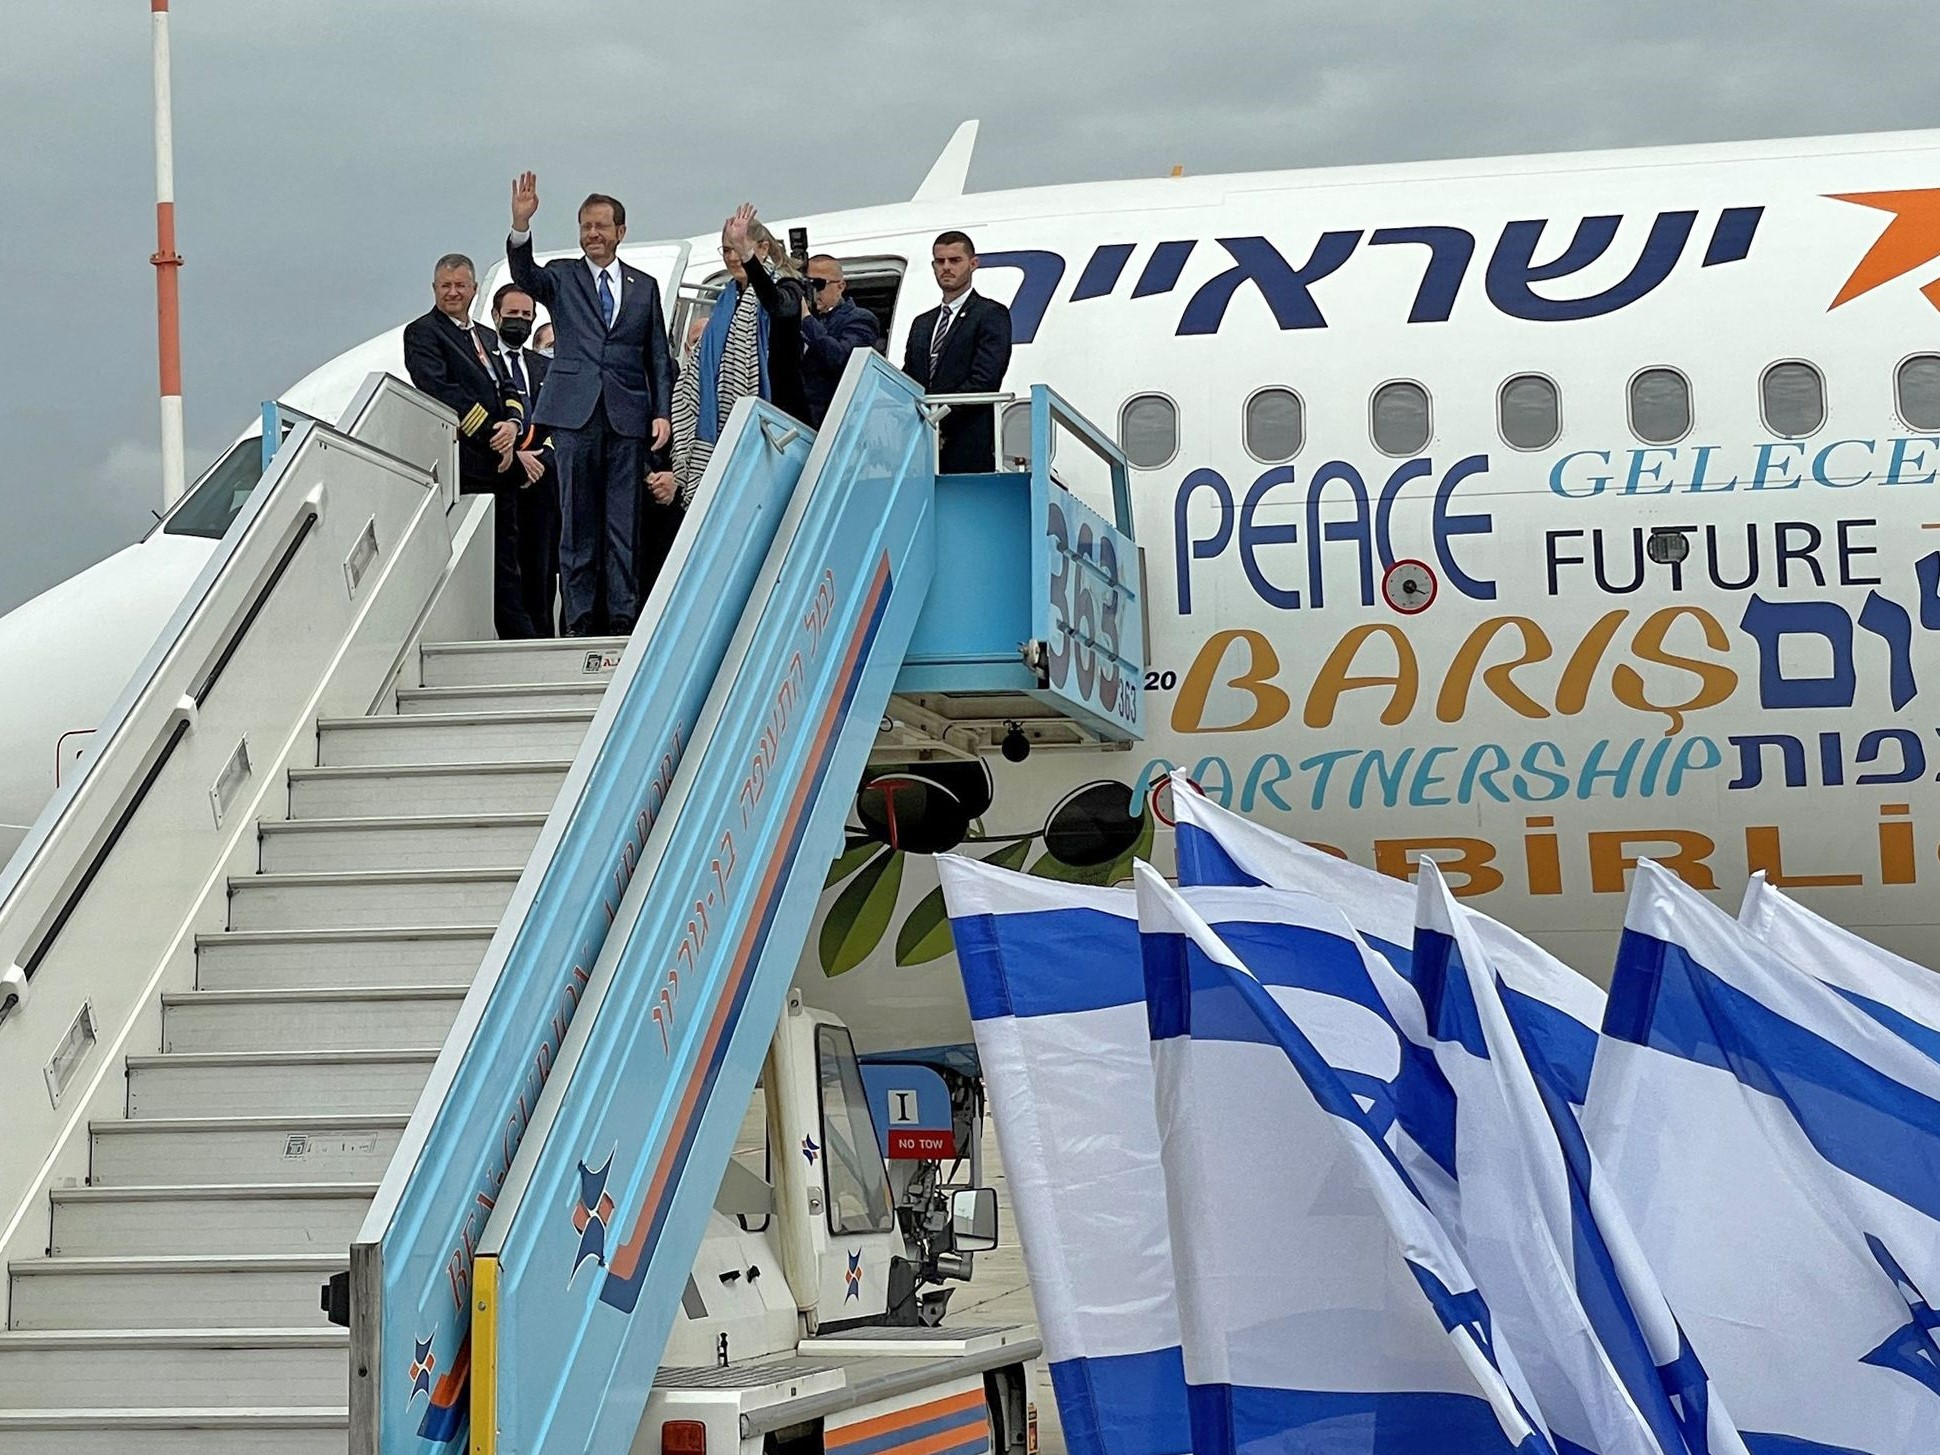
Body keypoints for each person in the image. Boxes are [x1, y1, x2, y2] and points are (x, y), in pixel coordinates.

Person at [506, 173, 676, 636]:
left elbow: (657, 355)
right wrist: (521, 226)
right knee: (577, 522)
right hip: (574, 413)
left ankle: (623, 615)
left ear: (621, 231)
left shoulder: (645, 286)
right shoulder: (561, 276)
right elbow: (525, 275)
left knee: (623, 521)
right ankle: (580, 619)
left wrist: (661, 411)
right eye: (586, 226)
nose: (592, 235)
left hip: (627, 414)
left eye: (601, 226)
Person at [671, 205, 808, 507]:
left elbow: (779, 308)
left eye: (739, 249)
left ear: (762, 248)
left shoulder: (788, 287)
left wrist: (750, 260)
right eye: (727, 250)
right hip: (724, 428)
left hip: (777, 425)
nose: (733, 258)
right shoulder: (724, 300)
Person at [401, 253, 523, 496]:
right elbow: (441, 390)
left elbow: (508, 386)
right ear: (434, 289)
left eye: (460, 285)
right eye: (446, 285)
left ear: (474, 289)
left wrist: (512, 425)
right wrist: (495, 436)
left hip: (500, 459)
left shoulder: (488, 336)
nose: (453, 292)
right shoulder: (423, 333)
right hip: (465, 461)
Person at [902, 231, 1013, 472]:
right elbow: (909, 378)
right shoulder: (922, 323)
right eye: (940, 261)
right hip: (921, 447)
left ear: (973, 264)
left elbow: (985, 379)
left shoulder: (990, 314)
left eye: (954, 260)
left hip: (967, 443)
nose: (946, 268)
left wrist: (940, 420)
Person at [489, 284, 560, 637]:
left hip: (541, 479)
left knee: (541, 567)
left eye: (526, 316)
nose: (519, 322)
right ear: (495, 316)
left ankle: (542, 636)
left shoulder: (543, 366)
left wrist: (542, 457)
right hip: (500, 475)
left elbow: (558, 419)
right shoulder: (484, 360)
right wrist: (515, 456)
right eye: (512, 315)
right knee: (505, 564)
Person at [800, 255, 880, 427]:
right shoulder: (797, 321)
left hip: (834, 422)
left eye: (819, 284)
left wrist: (807, 320)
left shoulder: (860, 319)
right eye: (807, 284)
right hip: (794, 421)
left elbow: (842, 360)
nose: (813, 291)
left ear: (841, 286)